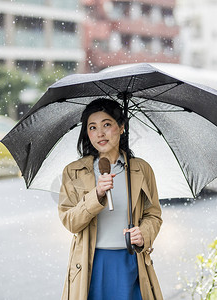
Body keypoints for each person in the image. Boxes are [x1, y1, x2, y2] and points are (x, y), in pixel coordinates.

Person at [58, 98, 163, 300]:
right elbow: (70, 221)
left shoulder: (141, 169)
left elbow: (154, 215)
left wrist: (143, 234)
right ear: (87, 133)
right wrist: (96, 195)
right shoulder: (74, 172)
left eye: (107, 124)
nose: (100, 133)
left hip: (131, 262)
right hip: (93, 263)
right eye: (92, 127)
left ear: (121, 127)